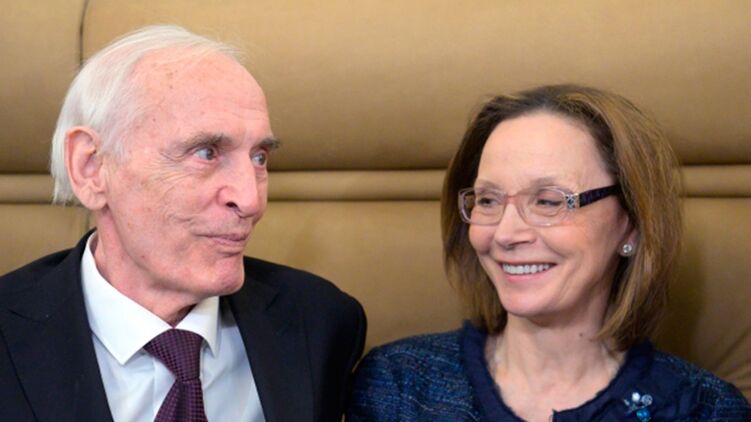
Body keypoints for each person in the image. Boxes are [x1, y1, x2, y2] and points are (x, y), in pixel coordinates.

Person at [0, 25, 366, 421]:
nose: (251, 200)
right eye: (206, 153)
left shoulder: (321, 323)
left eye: (259, 157)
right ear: (91, 167)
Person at [347, 84, 750, 421]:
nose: (506, 233)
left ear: (631, 223)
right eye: (488, 200)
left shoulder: (706, 410)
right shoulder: (399, 386)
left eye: (548, 201)